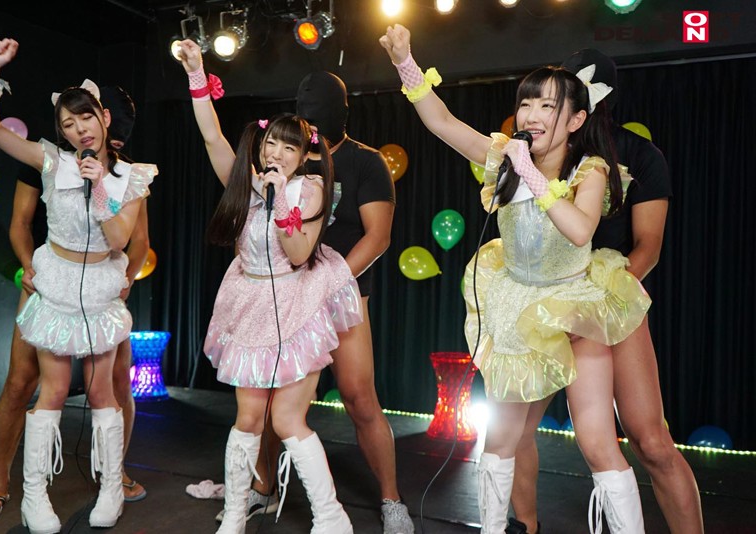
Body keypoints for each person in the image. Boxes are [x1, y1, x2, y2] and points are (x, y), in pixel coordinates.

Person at [380, 25, 652, 534]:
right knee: (503, 437)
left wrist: (529, 173)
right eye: (527, 103)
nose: (531, 114)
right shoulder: (504, 155)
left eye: (548, 106)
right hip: (519, 306)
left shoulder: (590, 169)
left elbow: (580, 230)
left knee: (597, 441)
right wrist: (404, 62)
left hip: (577, 304)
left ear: (576, 120)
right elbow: (441, 121)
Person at [505, 49, 704, 534]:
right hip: (542, 299)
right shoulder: (537, 150)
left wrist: (596, 306)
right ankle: (523, 526)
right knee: (511, 431)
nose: (547, 107)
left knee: (650, 441)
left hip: (608, 297)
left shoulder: (638, 155)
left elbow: (648, 246)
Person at [176, 39, 363, 534]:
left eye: (289, 147)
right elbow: (212, 136)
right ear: (260, 147)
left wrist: (279, 199)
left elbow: (299, 253)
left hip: (296, 302)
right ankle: (236, 514)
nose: (277, 152)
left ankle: (331, 518)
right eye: (271, 144)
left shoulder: (310, 189)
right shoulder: (244, 184)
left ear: (303, 155)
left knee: (287, 420)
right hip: (249, 301)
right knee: (248, 418)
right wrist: (196, 74)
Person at [0, 38, 156, 533]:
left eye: (86, 118)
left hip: (100, 285)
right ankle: (33, 497)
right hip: (56, 280)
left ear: (104, 119)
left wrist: (99, 187)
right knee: (50, 390)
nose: (79, 129)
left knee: (102, 392)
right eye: (68, 123)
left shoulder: (132, 177)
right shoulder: (51, 161)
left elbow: (119, 239)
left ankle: (111, 489)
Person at [226, 71, 413, 533]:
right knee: (270, 399)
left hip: (340, 294)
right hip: (282, 297)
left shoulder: (365, 162)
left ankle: (392, 499)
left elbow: (378, 236)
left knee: (358, 395)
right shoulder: (284, 158)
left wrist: (330, 284)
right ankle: (262, 488)